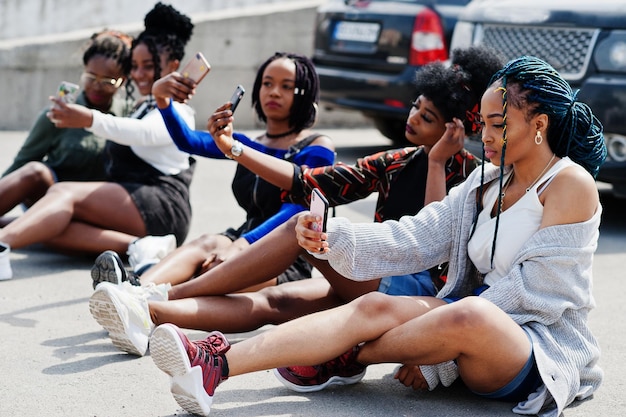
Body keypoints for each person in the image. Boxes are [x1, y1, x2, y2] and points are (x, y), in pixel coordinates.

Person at [148, 55, 606, 417]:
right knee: (372, 305)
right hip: (462, 322)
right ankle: (215, 365)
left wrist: (435, 354)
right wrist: (333, 238)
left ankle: (350, 354)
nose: (482, 135)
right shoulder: (483, 183)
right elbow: (414, 237)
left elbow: (537, 293)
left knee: (467, 314)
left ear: (539, 124)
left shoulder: (569, 183)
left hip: (532, 345)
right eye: (482, 122)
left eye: (496, 125)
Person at [88, 46, 503, 355]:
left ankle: (157, 297)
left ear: (456, 129)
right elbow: (310, 182)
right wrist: (233, 148)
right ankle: (145, 316)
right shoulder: (394, 161)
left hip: (413, 290)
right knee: (275, 302)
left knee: (299, 228)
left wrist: (436, 164)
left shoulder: (471, 175)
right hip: (368, 274)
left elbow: (435, 250)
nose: (412, 118)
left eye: (427, 117)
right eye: (415, 106)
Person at [0, 2, 196, 281]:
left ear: (173, 66)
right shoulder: (143, 107)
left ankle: (2, 245)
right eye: (135, 67)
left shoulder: (176, 111)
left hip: (160, 206)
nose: (139, 75)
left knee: (62, 193)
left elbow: (142, 133)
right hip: (130, 204)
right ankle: (139, 247)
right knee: (50, 224)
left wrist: (89, 119)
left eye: (148, 67)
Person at [0, 30, 133, 230]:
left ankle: (23, 227)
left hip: (98, 208)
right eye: (90, 77)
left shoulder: (129, 115)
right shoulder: (58, 115)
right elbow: (21, 164)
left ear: (123, 80)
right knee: (35, 171)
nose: (97, 86)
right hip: (51, 198)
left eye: (107, 81)